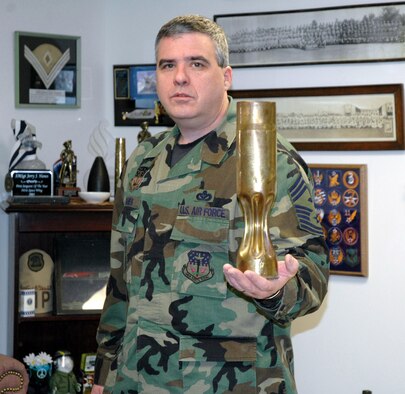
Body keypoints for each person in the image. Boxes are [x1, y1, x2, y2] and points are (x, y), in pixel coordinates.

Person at [92, 15, 329, 394]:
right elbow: (120, 279)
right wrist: (105, 372)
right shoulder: (143, 161)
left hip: (226, 383)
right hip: (136, 379)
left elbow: (313, 277)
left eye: (196, 63)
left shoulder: (267, 161)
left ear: (227, 76)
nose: (180, 77)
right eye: (167, 65)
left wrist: (274, 291)